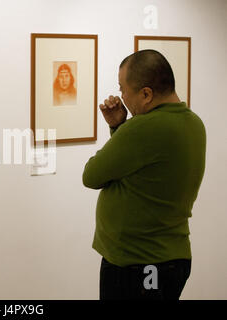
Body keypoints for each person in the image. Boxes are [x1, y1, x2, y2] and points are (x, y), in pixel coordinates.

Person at [82, 49, 206, 300]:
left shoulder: (144, 127)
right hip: (171, 259)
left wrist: (122, 128)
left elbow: (92, 175)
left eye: (123, 89)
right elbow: (139, 167)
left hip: (136, 265)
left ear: (146, 94)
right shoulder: (194, 123)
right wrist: (119, 127)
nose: (122, 97)